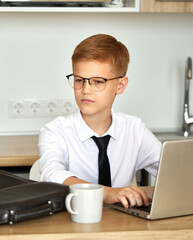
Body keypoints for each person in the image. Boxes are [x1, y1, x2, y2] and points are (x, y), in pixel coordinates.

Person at [38, 34, 161, 208]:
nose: (85, 90)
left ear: (120, 85)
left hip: (121, 226)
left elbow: (171, 172)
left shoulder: (135, 129)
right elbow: (52, 174)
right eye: (79, 80)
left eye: (97, 82)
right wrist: (107, 192)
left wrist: (140, 192)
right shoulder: (56, 131)